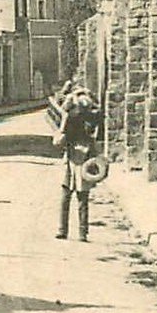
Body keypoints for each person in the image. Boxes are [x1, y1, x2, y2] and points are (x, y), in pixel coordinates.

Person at [52, 86, 104, 242]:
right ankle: (80, 232)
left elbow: (60, 138)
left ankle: (65, 230)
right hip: (80, 155)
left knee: (69, 195)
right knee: (79, 196)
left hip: (78, 156)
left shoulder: (72, 115)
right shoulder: (89, 115)